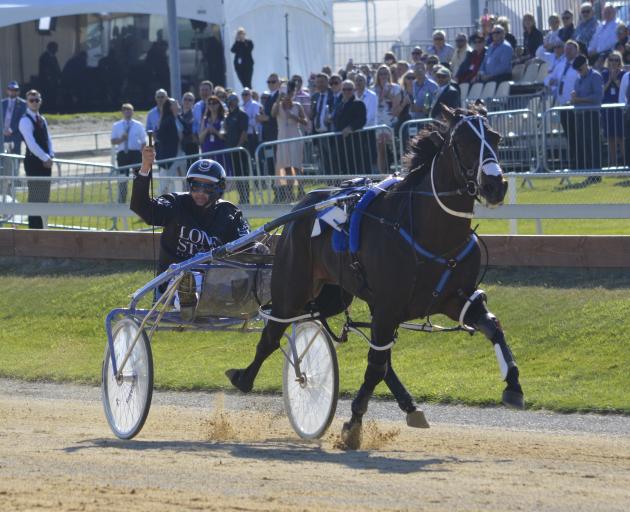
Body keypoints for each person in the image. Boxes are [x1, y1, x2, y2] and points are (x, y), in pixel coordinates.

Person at [130, 151, 250, 317]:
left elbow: (247, 243)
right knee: (189, 278)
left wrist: (256, 248)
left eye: (207, 187)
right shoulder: (175, 204)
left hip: (215, 280)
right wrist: (144, 168)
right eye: (196, 187)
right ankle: (188, 299)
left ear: (219, 188)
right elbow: (142, 207)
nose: (200, 192)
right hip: (173, 280)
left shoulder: (229, 213)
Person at [18, 89, 54, 229]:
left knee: (44, 197)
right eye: (31, 100)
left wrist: (51, 155)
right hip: (34, 162)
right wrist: (45, 157)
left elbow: (48, 139)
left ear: (40, 101)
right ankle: (34, 229)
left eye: (37, 100)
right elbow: (31, 144)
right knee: (35, 197)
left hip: (46, 163)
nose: (34, 103)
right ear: (27, 102)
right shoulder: (24, 120)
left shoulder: (42, 119)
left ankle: (43, 227)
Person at [568, 54, 604, 179]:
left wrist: (579, 99)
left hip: (591, 114)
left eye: (580, 68)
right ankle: (590, 172)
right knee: (584, 145)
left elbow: (597, 97)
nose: (579, 71)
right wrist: (574, 97)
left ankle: (596, 173)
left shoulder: (595, 76)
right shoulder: (578, 79)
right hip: (580, 115)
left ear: (585, 64)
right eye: (577, 69)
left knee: (593, 144)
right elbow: (577, 96)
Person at [272, 80, 307, 201]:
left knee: (296, 165)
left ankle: (301, 190)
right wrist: (278, 99)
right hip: (282, 138)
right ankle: (289, 193)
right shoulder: (278, 106)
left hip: (295, 136)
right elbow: (273, 114)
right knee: (286, 166)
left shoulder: (297, 105)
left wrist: (293, 117)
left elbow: (305, 121)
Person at [111, 103, 146, 204]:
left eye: (129, 110)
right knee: (123, 178)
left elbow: (143, 140)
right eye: (125, 110)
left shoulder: (138, 125)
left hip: (135, 153)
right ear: (122, 112)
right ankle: (122, 200)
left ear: (133, 111)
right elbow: (113, 141)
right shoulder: (117, 125)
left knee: (138, 178)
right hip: (122, 154)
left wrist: (141, 152)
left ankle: (139, 200)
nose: (127, 112)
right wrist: (121, 139)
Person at [332, 80, 367, 174]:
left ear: (354, 90)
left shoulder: (358, 103)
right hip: (340, 142)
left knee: (354, 168)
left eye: (349, 89)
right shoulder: (339, 104)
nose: (347, 91)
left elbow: (361, 120)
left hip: (354, 142)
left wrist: (350, 128)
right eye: (344, 89)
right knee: (342, 168)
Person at [373, 65, 401, 172]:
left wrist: (388, 93)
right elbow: (375, 104)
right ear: (378, 76)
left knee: (395, 148)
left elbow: (396, 104)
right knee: (381, 149)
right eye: (381, 74)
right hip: (379, 122)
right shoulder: (373, 89)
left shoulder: (396, 87)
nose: (383, 76)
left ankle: (398, 172)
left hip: (391, 121)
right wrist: (382, 94)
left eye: (386, 73)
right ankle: (382, 173)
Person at [224, 93, 251, 204]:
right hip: (231, 150)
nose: (231, 102)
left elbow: (244, 132)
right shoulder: (228, 116)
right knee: (236, 174)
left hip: (240, 150)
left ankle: (246, 197)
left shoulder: (242, 115)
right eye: (230, 100)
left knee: (243, 174)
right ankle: (241, 196)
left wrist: (238, 146)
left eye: (233, 99)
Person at [1, 81, 26, 199]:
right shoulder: (2, 103)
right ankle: (3, 180)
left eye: (15, 90)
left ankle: (15, 180)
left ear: (18, 91)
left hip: (14, 135)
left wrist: (12, 129)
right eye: (11, 89)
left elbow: (22, 119)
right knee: (3, 158)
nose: (13, 92)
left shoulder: (22, 104)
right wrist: (3, 129)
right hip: (3, 136)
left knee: (15, 157)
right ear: (7, 91)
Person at [600, 52, 625, 166]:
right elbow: (601, 91)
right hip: (607, 110)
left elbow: (624, 90)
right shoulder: (604, 74)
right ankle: (613, 163)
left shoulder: (624, 75)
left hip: (620, 110)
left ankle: (626, 162)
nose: (613, 62)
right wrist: (610, 80)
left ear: (619, 62)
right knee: (610, 137)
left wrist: (615, 80)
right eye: (611, 60)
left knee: (621, 136)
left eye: (616, 60)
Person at [156, 98, 183, 194]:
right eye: (175, 103)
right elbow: (160, 137)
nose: (178, 104)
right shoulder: (167, 120)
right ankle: (158, 203)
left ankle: (178, 201)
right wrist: (177, 137)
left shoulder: (178, 118)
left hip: (180, 154)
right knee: (164, 182)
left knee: (179, 181)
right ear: (170, 107)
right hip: (170, 156)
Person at [256, 73, 280, 176]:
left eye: (273, 81)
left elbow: (277, 115)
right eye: (269, 82)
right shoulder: (270, 96)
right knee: (270, 161)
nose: (270, 84)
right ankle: (275, 187)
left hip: (275, 134)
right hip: (268, 136)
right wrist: (262, 117)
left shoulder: (279, 95)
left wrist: (266, 118)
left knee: (276, 161)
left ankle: (280, 187)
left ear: (278, 83)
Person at [546, 39, 580, 106]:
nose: (568, 51)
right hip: (561, 103)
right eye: (566, 49)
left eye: (570, 49)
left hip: (575, 104)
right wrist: (550, 82)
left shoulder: (580, 65)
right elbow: (549, 78)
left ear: (576, 51)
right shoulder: (560, 65)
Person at [38, 42, 61, 112]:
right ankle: (48, 109)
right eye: (55, 48)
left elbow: (57, 68)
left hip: (53, 81)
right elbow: (45, 70)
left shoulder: (53, 57)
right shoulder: (44, 57)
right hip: (47, 82)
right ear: (51, 48)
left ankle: (52, 109)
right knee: (48, 96)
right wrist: (50, 78)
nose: (57, 50)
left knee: (53, 97)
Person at [179, 92, 199, 171]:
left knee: (192, 170)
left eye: (190, 100)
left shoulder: (195, 115)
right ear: (182, 101)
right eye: (185, 99)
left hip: (192, 147)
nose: (187, 101)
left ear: (193, 102)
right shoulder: (178, 115)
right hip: (181, 147)